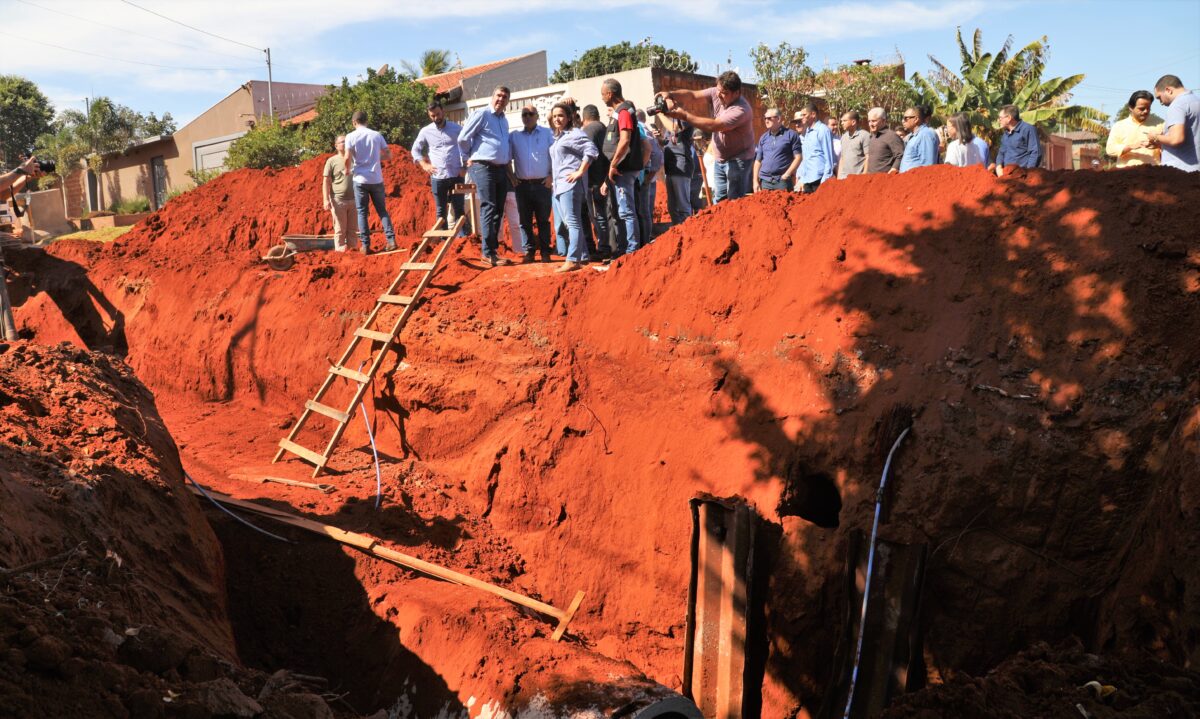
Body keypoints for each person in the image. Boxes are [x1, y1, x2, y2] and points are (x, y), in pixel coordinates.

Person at [657, 71, 756, 203]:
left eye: (724, 93)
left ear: (737, 93)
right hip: (720, 158)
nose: (719, 95)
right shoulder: (717, 92)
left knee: (734, 201)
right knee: (719, 200)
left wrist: (684, 116)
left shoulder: (741, 110)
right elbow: (693, 95)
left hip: (739, 160)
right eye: (719, 90)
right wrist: (670, 94)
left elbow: (714, 125)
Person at [459, 85, 514, 266]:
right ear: (492, 96)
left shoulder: (504, 120)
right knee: (489, 206)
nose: (501, 99)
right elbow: (463, 138)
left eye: (505, 97)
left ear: (508, 101)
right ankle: (487, 253)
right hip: (483, 166)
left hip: (500, 169)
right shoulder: (482, 114)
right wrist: (466, 158)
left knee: (498, 209)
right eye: (498, 95)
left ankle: (493, 251)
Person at [548, 101, 599, 273]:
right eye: (554, 116)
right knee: (571, 223)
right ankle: (582, 256)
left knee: (572, 222)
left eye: (561, 115)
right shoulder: (559, 136)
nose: (557, 119)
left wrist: (579, 172)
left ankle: (572, 260)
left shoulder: (574, 133)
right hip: (560, 186)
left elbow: (591, 150)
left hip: (570, 185)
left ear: (569, 117)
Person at [599, 78, 641, 256]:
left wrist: (613, 164)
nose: (602, 98)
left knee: (626, 211)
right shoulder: (620, 111)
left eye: (602, 94)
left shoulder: (623, 111)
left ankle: (632, 251)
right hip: (619, 168)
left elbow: (624, 141)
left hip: (623, 169)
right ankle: (625, 249)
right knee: (622, 211)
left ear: (610, 94)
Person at [344, 110, 396, 254]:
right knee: (382, 211)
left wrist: (347, 169)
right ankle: (391, 241)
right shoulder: (376, 135)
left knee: (362, 212)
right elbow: (388, 155)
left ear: (354, 122)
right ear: (366, 121)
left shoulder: (350, 136)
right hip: (376, 179)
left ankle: (365, 246)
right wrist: (375, 159)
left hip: (360, 179)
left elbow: (347, 157)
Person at [509, 105, 556, 263]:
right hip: (522, 186)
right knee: (525, 221)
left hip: (542, 185)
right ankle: (529, 251)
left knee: (543, 220)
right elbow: (506, 157)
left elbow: (556, 156)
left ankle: (545, 251)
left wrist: (551, 176)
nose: (527, 117)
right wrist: (511, 177)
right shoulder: (514, 136)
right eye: (524, 114)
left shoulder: (547, 134)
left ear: (537, 116)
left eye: (530, 114)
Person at [412, 101, 466, 233]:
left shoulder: (457, 129)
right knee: (441, 210)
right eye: (432, 116)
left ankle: (464, 241)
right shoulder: (425, 131)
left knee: (459, 208)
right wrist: (424, 165)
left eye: (438, 114)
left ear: (443, 112)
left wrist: (465, 167)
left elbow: (467, 147)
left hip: (456, 175)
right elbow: (415, 150)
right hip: (438, 176)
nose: (436, 118)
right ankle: (442, 239)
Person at [1148, 75, 1200, 172]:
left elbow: (1176, 139)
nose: (1161, 103)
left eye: (1159, 98)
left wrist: (1154, 136)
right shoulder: (1196, 101)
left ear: (1168, 90)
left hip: (1179, 171)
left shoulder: (1177, 105)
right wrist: (1160, 143)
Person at [580, 104, 612, 259]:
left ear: (584, 118)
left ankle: (604, 248)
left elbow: (587, 155)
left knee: (598, 216)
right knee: (604, 215)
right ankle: (606, 247)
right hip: (605, 178)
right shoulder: (604, 128)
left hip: (594, 181)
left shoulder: (589, 130)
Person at [1106, 90, 1161, 167]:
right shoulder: (1119, 126)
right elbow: (1110, 149)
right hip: (1125, 175)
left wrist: (1158, 145)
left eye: (1148, 108)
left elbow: (1171, 149)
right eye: (1142, 108)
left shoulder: (1160, 124)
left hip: (1152, 174)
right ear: (1131, 108)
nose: (1146, 111)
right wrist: (1131, 146)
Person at [752, 108, 802, 191]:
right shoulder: (763, 138)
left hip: (782, 181)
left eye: (769, 118)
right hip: (765, 181)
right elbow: (758, 161)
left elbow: (798, 157)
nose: (766, 121)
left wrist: (787, 174)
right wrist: (755, 181)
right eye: (765, 118)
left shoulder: (791, 135)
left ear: (778, 119)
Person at [322, 135, 358, 251]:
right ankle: (340, 252)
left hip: (354, 200)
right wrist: (326, 199)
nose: (344, 144)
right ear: (336, 146)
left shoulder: (354, 159)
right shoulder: (332, 161)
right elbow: (326, 181)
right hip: (338, 200)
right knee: (340, 228)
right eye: (342, 142)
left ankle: (353, 251)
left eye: (346, 141)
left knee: (352, 229)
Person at [636, 110, 664, 245]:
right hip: (647, 177)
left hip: (645, 178)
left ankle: (645, 241)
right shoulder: (645, 128)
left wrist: (650, 174)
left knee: (643, 211)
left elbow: (657, 154)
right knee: (645, 211)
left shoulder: (641, 129)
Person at [793, 102, 835, 193]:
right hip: (808, 180)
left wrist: (825, 180)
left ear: (813, 114)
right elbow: (806, 157)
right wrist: (801, 177)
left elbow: (829, 157)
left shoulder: (823, 130)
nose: (802, 117)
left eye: (804, 115)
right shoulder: (807, 132)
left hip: (819, 179)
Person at [661, 116, 694, 224]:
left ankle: (688, 234)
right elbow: (668, 143)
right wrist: (659, 139)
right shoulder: (670, 120)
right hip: (670, 168)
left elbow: (675, 128)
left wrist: (659, 113)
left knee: (683, 207)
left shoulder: (684, 115)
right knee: (672, 208)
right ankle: (678, 234)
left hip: (681, 166)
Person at [990, 105, 1041, 174]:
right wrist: (999, 167)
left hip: (1022, 177)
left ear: (1009, 118)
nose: (999, 120)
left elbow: (1035, 153)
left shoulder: (1028, 129)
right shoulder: (1005, 134)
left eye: (1000, 118)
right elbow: (1001, 153)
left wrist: (1028, 173)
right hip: (1006, 177)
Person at [898, 105, 939, 172]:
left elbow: (928, 166)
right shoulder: (914, 136)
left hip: (917, 180)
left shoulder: (926, 134)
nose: (903, 121)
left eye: (906, 118)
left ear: (916, 119)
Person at [865, 107, 905, 174]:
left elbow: (900, 155)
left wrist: (894, 169)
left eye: (874, 121)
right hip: (871, 179)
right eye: (869, 121)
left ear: (883, 121)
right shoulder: (872, 136)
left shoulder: (891, 136)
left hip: (885, 180)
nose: (870, 124)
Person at [837, 111, 870, 178]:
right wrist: (839, 177)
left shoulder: (865, 135)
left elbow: (868, 156)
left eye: (844, 121)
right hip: (844, 178)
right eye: (841, 121)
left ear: (853, 122)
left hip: (857, 178)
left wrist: (864, 175)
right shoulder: (844, 137)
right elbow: (842, 158)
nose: (842, 123)